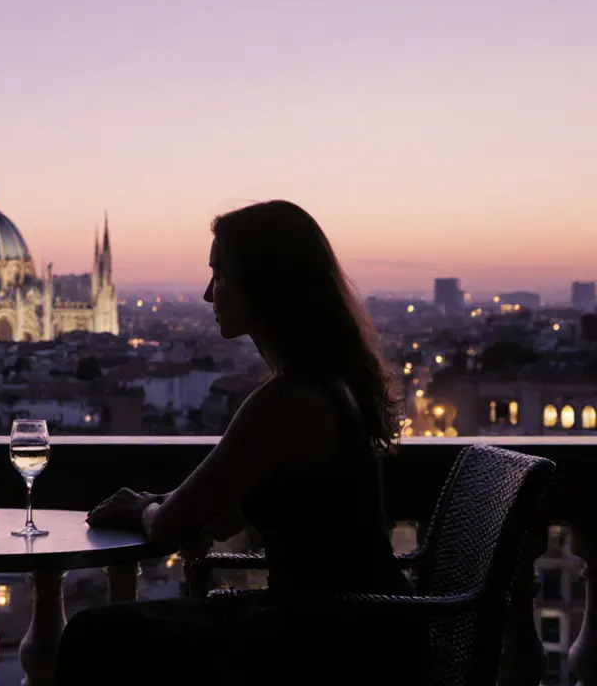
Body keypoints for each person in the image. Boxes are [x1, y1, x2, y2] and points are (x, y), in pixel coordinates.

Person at [60, 201, 423, 685]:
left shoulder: (288, 401)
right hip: (356, 625)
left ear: (264, 285)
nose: (208, 293)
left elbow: (168, 525)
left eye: (220, 275)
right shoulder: (328, 385)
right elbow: (225, 507)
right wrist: (164, 505)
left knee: (93, 635)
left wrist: (140, 507)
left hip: (331, 640)